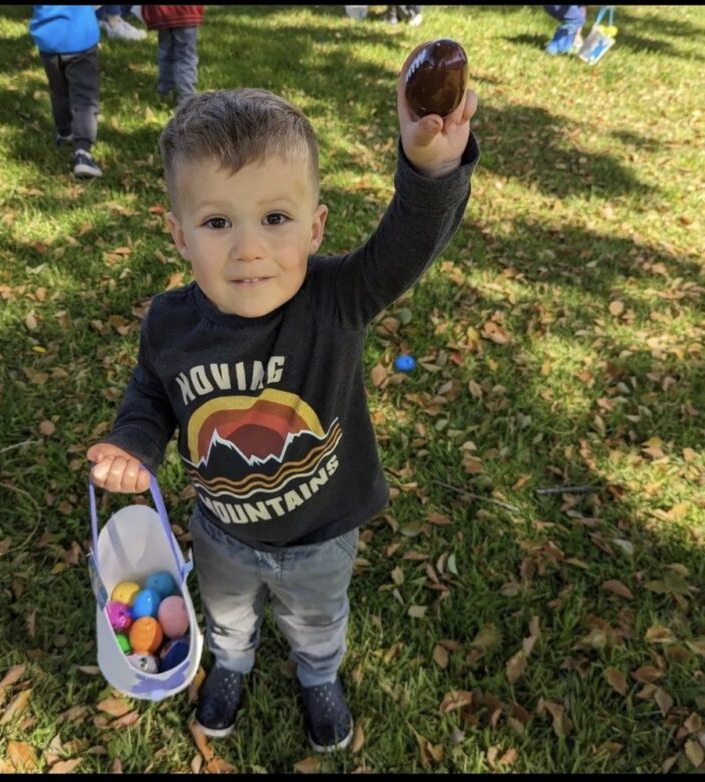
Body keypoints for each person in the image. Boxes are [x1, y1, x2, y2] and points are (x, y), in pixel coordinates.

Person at [86, 43, 479, 752]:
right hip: (223, 529)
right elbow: (151, 390)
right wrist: (133, 441)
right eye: (217, 222)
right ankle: (231, 664)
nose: (249, 249)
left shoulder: (337, 299)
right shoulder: (170, 323)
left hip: (321, 532)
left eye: (274, 218)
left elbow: (407, 246)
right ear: (178, 235)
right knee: (228, 614)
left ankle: (318, 673)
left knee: (317, 618)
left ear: (315, 227)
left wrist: (432, 170)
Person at [29, 5, 103, 178]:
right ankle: (83, 152)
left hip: (48, 39)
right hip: (81, 39)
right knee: (85, 97)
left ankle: (65, 132)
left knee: (59, 90)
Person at [141, 5, 205, 106]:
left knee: (165, 54)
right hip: (186, 12)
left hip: (162, 13)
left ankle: (165, 91)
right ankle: (187, 97)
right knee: (186, 58)